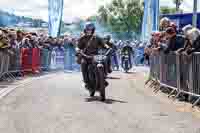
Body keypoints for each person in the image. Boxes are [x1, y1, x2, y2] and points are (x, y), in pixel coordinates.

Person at [76, 22, 109, 90]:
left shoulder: (97, 38)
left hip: (95, 56)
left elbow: (103, 44)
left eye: (91, 29)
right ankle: (86, 82)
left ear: (93, 30)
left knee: (104, 60)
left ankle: (104, 78)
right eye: (88, 29)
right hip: (86, 56)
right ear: (85, 30)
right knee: (83, 63)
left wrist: (107, 47)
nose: (89, 30)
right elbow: (78, 46)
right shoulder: (82, 38)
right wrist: (78, 49)